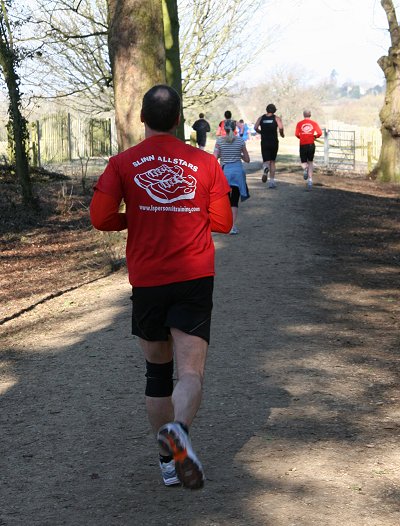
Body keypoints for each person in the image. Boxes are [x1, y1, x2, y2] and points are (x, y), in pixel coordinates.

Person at [90, 85, 233, 490]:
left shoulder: (122, 163)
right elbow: (222, 222)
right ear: (178, 120)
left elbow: (100, 217)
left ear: (141, 118)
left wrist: (133, 219)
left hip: (148, 280)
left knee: (157, 373)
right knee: (190, 372)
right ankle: (180, 430)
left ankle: (168, 464)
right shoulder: (205, 162)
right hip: (193, 277)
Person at [214, 119, 250, 235]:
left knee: (225, 201)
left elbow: (214, 158)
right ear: (235, 129)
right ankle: (232, 226)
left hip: (225, 174)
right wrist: (238, 154)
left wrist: (221, 155)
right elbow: (247, 159)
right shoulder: (240, 141)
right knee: (234, 201)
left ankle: (225, 225)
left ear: (224, 129)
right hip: (237, 174)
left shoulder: (219, 141)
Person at [254, 104, 284, 188]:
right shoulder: (276, 118)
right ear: (274, 110)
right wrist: (282, 134)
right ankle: (272, 182)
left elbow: (255, 127)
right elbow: (281, 127)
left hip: (264, 142)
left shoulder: (261, 118)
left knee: (266, 160)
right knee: (272, 161)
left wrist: (261, 132)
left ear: (266, 110)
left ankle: (265, 169)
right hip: (274, 142)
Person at [295, 110, 322, 190]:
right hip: (311, 144)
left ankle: (305, 169)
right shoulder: (314, 123)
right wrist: (314, 137)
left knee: (303, 162)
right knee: (310, 161)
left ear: (303, 115)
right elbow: (320, 133)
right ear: (310, 115)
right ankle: (310, 181)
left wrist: (302, 137)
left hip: (303, 144)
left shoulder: (299, 123)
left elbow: (296, 134)